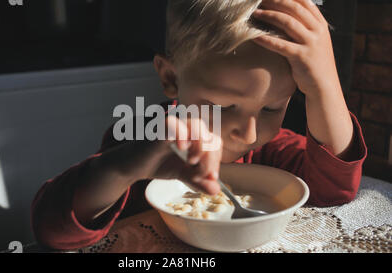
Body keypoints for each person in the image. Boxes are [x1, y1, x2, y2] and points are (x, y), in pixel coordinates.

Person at [31, 0, 367, 250]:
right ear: (170, 77)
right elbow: (54, 233)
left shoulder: (274, 149)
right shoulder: (145, 138)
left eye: (272, 108)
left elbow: (335, 192)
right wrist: (124, 169)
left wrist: (326, 88)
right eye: (222, 106)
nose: (249, 134)